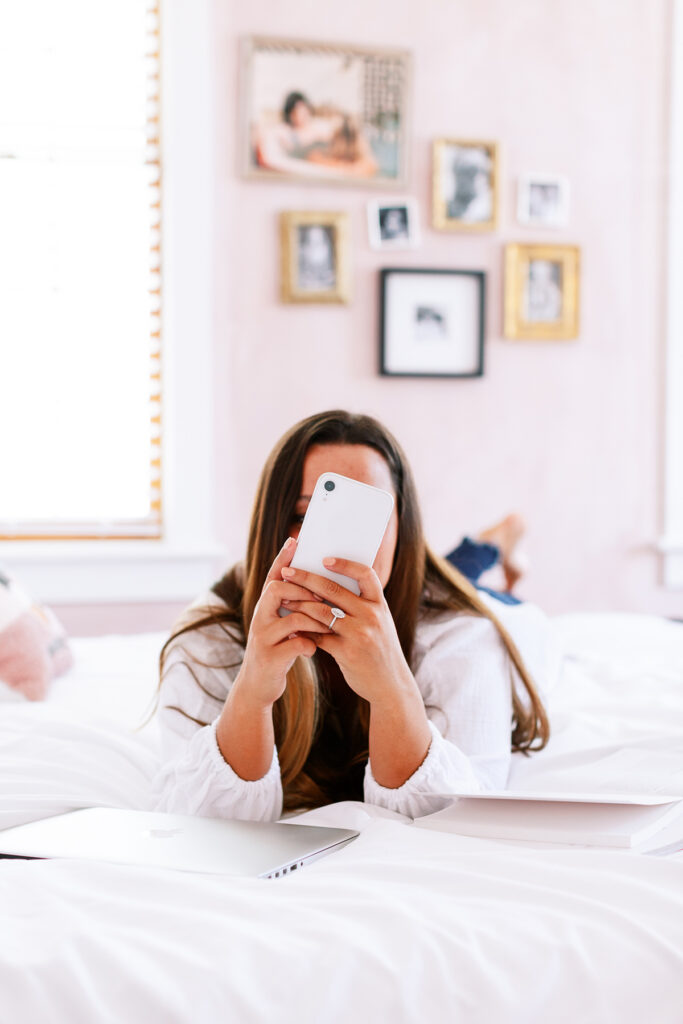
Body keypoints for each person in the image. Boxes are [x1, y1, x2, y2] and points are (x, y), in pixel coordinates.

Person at [152, 411, 559, 823]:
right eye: (302, 515)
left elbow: (463, 813)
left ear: (404, 527)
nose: (341, 549)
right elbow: (194, 820)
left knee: (464, 580)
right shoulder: (212, 631)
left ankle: (497, 540)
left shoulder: (462, 631)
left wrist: (390, 688)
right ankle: (492, 540)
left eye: (368, 517)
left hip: (435, 592)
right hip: (401, 578)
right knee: (450, 567)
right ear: (270, 525)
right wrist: (253, 689)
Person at [254, 91, 378, 178]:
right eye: (295, 113)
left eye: (304, 112)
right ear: (289, 115)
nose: (300, 117)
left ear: (309, 110)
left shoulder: (320, 128)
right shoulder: (284, 132)